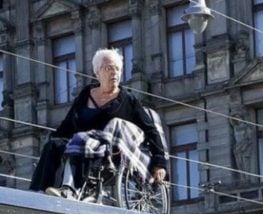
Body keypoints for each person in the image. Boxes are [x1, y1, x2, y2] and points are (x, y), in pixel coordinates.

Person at [29, 48, 167, 197]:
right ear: (97, 72)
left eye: (117, 69)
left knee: (80, 140)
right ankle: (38, 192)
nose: (114, 73)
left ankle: (69, 190)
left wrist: (159, 162)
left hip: (109, 151)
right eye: (109, 68)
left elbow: (150, 130)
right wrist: (55, 138)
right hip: (79, 143)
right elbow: (68, 124)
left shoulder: (128, 99)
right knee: (53, 145)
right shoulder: (85, 95)